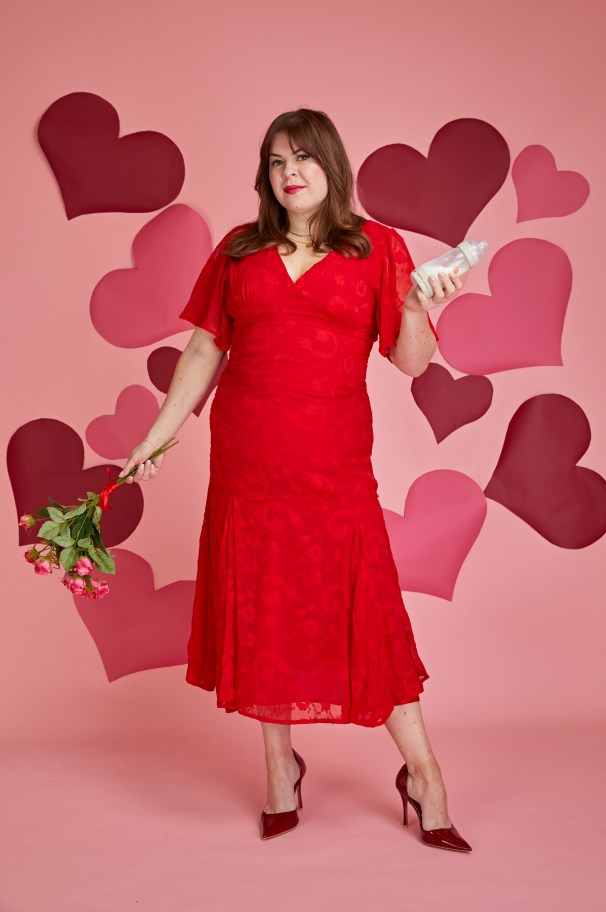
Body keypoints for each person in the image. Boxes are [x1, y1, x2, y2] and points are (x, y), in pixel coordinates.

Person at [119, 109, 471, 851]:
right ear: (266, 175)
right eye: (277, 161)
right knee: (265, 613)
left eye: (305, 158)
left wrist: (415, 308)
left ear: (333, 167)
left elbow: (409, 362)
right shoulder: (239, 251)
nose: (290, 173)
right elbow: (204, 349)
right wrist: (157, 435)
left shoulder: (378, 247)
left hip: (334, 467)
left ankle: (426, 777)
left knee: (366, 610)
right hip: (248, 466)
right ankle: (279, 768)